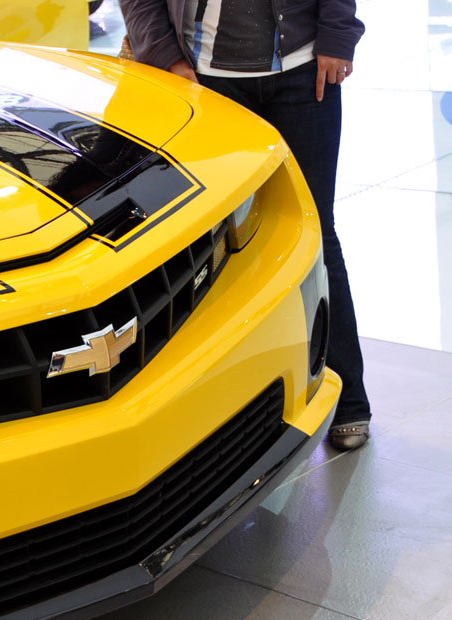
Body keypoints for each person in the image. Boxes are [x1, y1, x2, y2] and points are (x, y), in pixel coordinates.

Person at [119, 0, 372, 451]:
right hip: (204, 82)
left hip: (303, 73)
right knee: (210, 246)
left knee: (315, 229)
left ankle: (348, 396)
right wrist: (165, 56)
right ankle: (221, 421)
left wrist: (338, 36)